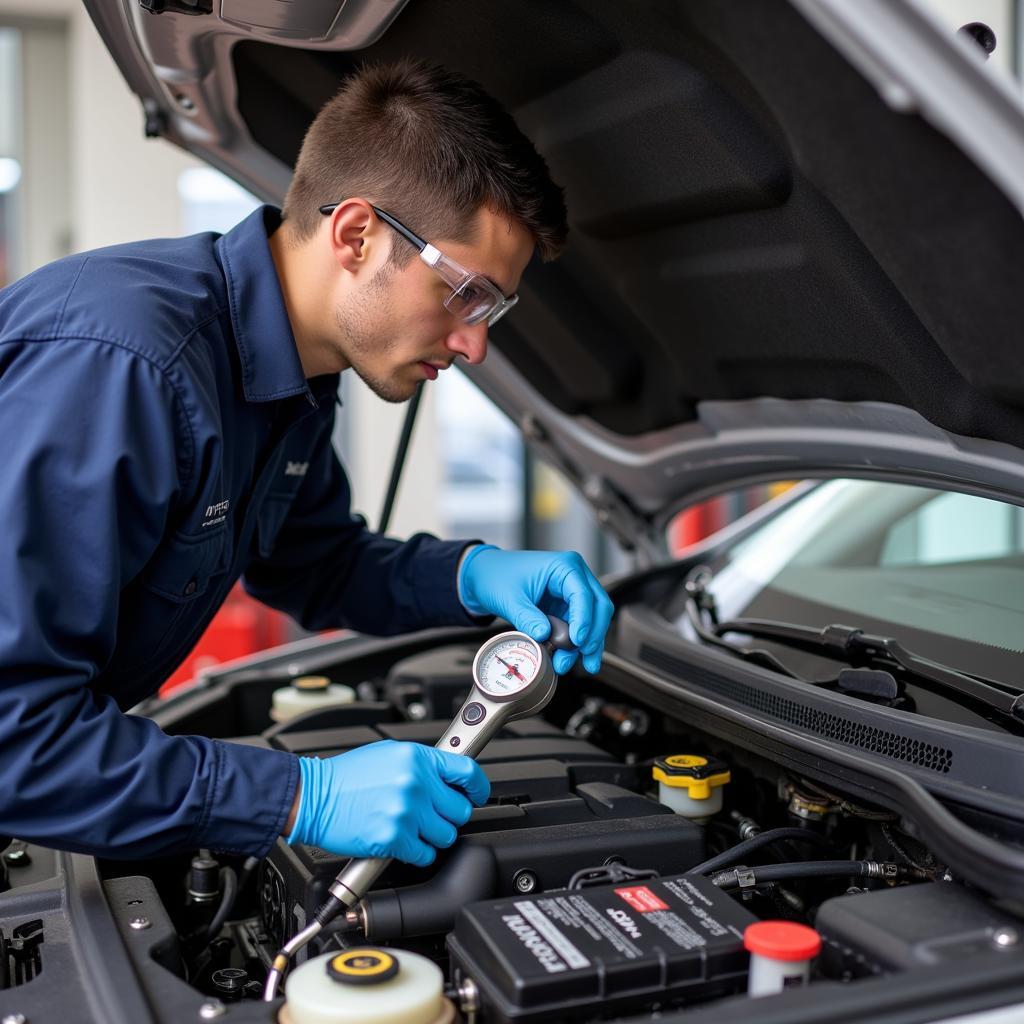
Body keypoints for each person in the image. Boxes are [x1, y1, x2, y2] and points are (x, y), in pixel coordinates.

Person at [0, 59, 614, 868]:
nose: (476, 344)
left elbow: (315, 565)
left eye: (493, 308)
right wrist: (298, 796)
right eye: (465, 294)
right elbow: (15, 738)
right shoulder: (124, 370)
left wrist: (473, 574)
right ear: (356, 235)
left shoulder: (293, 378)